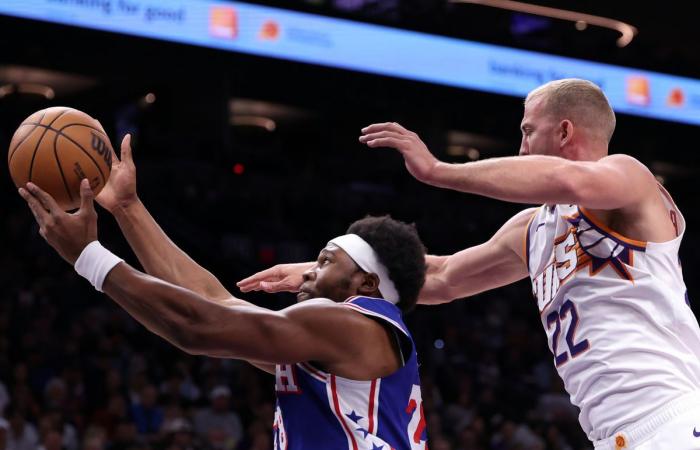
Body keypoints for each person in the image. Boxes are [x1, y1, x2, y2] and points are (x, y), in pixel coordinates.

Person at [240, 78, 700, 450]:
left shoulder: (628, 177)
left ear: (564, 132)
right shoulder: (532, 228)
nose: (520, 147)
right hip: (611, 433)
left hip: (672, 414)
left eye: (526, 130)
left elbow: (569, 178)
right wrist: (315, 271)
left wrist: (438, 170)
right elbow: (441, 278)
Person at [17, 140, 430, 449]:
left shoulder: (350, 324)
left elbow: (196, 327)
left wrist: (88, 256)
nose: (307, 271)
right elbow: (213, 302)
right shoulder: (346, 343)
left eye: (324, 261)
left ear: (367, 283)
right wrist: (127, 208)